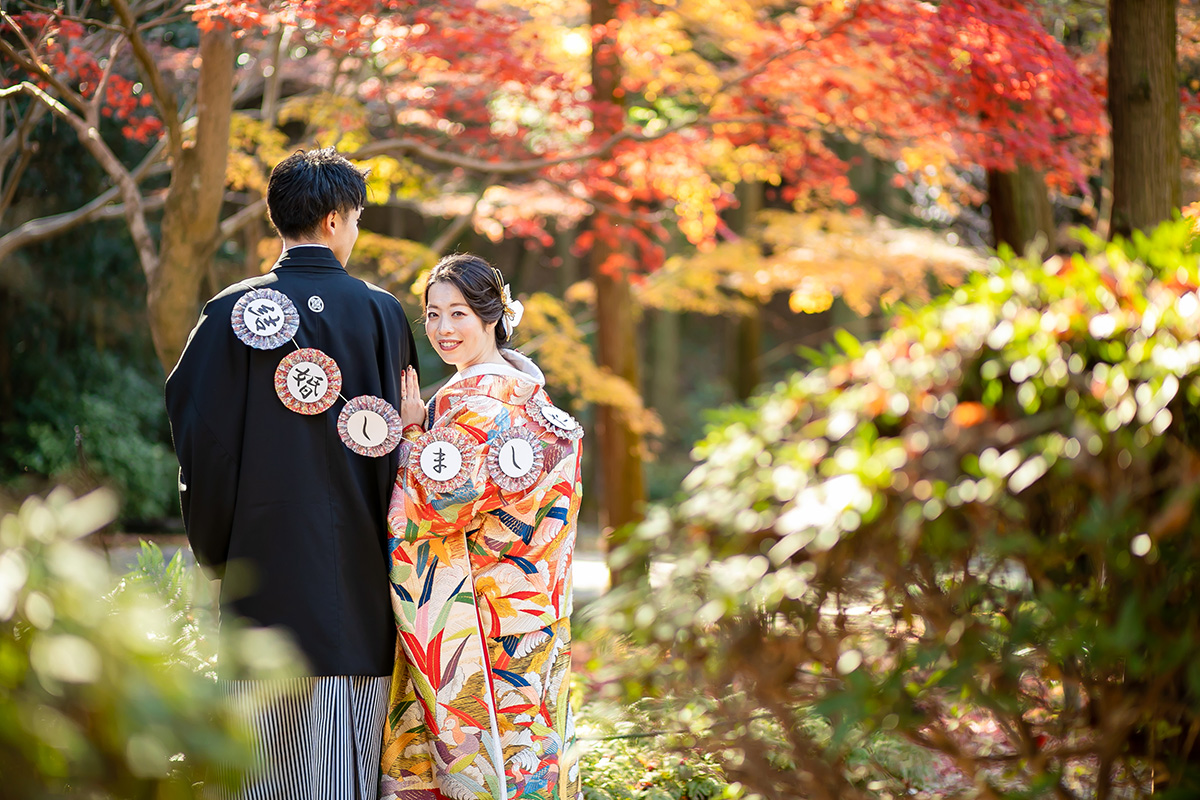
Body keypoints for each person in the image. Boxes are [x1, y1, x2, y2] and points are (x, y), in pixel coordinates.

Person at [165, 148, 419, 799]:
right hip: (361, 584)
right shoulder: (381, 314)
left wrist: (217, 547)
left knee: (261, 768)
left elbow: (204, 441)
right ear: (335, 220)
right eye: (357, 218)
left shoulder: (227, 313)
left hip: (264, 578)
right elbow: (403, 447)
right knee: (346, 767)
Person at [380, 254, 583, 800]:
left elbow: (435, 508)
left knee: (487, 760)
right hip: (534, 608)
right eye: (433, 315)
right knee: (529, 752)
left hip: (483, 618)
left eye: (460, 313)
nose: (444, 329)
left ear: (492, 315)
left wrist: (412, 432)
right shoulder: (532, 395)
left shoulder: (475, 401)